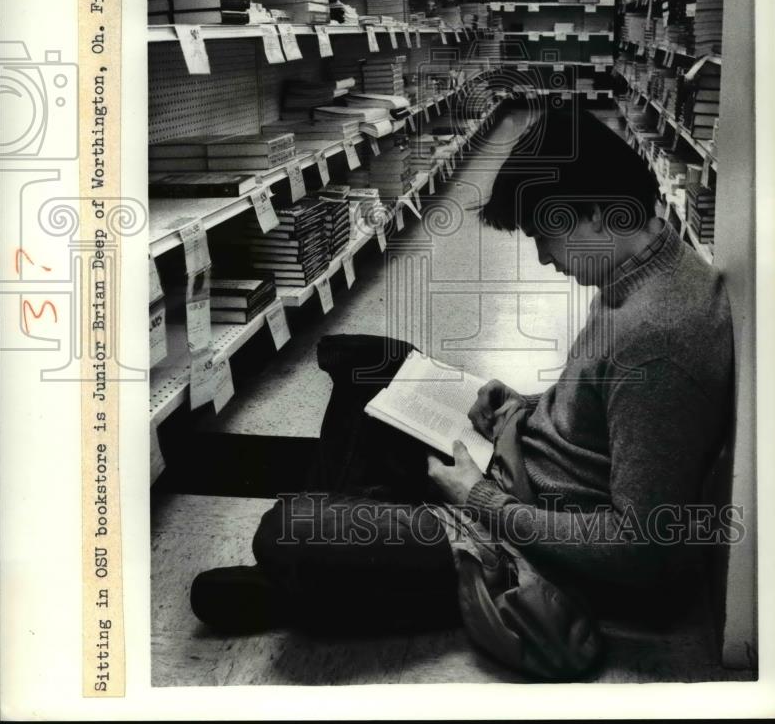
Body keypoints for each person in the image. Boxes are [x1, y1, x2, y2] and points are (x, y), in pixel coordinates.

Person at [190, 107, 734, 653]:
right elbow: (609, 412)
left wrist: (477, 498)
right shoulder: (637, 270)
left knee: (286, 531)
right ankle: (355, 545)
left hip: (526, 549)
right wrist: (524, 402)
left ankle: (340, 558)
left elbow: (637, 548)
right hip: (515, 468)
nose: (543, 256)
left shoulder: (658, 339)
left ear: (595, 213)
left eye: (545, 233)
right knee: (363, 360)